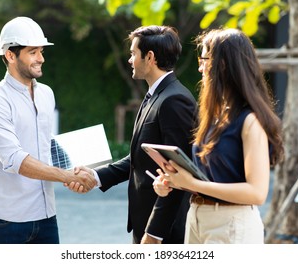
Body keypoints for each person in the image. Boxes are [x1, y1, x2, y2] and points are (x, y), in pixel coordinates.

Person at [153, 28, 284, 244]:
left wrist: (194, 185)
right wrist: (175, 181)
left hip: (232, 224)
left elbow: (257, 193)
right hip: (197, 218)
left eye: (203, 59)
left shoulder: (250, 120)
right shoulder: (214, 116)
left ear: (223, 64)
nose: (199, 67)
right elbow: (210, 177)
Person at [69, 25, 197, 244]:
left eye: (133, 54)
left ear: (150, 57)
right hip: (145, 224)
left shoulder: (174, 100)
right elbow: (139, 158)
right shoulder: (155, 95)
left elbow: (178, 172)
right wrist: (96, 176)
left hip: (165, 232)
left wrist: (155, 234)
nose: (130, 60)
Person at [0, 16, 96, 244]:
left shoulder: (46, 94)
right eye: (33, 52)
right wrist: (67, 176)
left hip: (46, 217)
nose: (41, 58)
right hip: (6, 221)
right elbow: (14, 159)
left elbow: (45, 146)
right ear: (10, 55)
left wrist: (76, 172)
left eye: (41, 51)